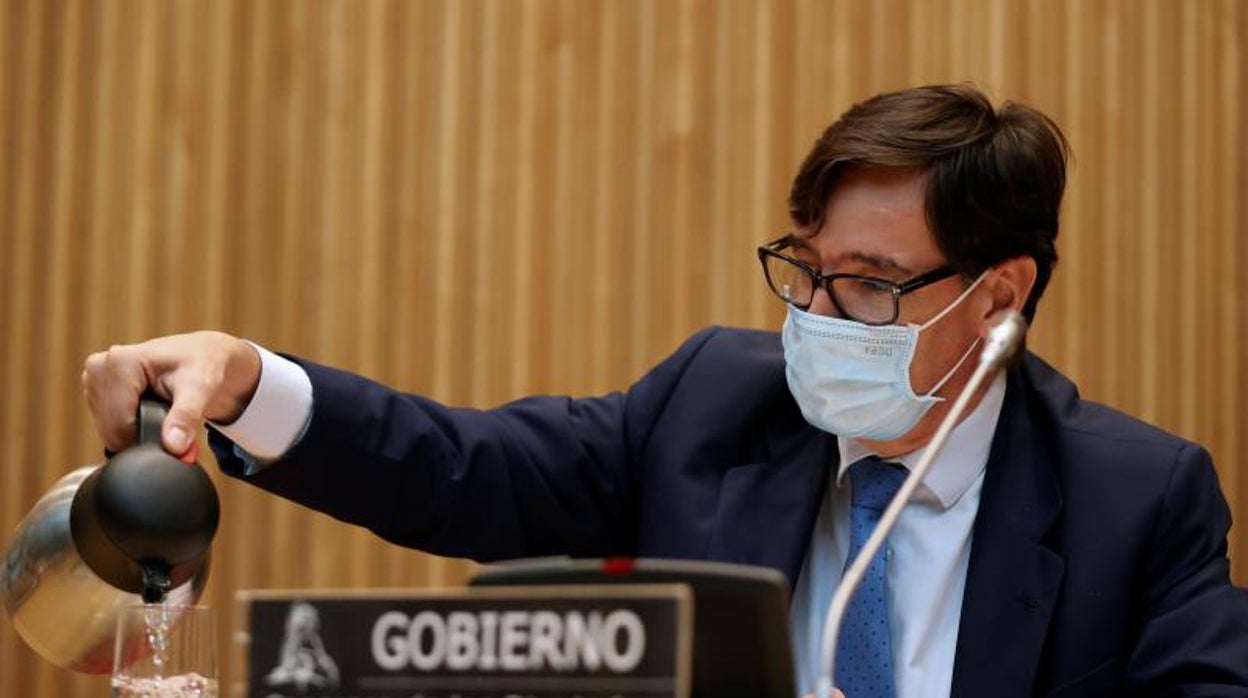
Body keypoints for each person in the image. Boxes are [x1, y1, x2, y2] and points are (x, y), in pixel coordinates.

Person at [82, 84, 1248, 697]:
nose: (818, 315)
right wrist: (249, 383)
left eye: (871, 284)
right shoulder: (715, 403)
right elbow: (466, 466)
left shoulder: (1137, 500)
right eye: (808, 268)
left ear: (998, 296)